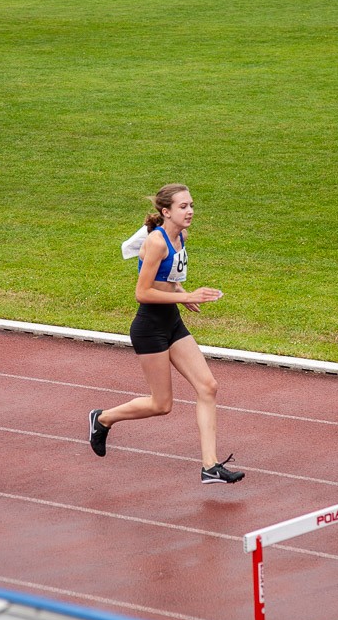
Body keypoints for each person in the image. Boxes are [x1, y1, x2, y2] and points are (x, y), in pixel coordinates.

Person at [89, 184, 244, 484]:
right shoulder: (157, 242)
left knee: (208, 387)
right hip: (150, 329)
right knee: (161, 405)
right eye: (183, 206)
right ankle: (103, 418)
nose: (190, 211)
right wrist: (186, 297)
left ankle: (210, 466)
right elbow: (142, 292)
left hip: (171, 322)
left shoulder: (180, 236)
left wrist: (182, 294)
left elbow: (168, 276)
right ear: (166, 211)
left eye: (192, 205)